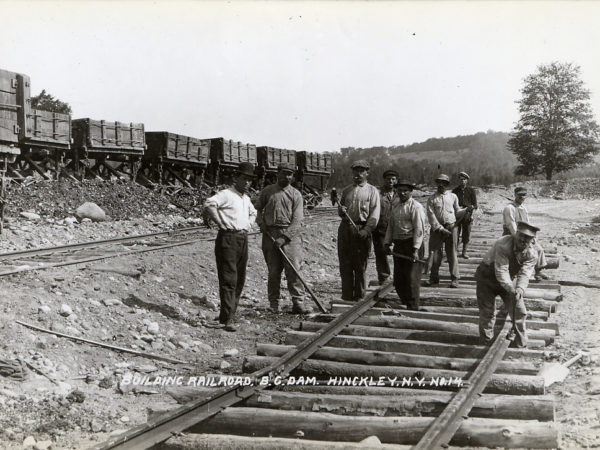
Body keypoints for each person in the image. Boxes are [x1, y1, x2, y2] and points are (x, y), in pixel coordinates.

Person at [203, 162, 257, 332]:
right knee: (229, 279)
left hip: (242, 238)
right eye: (244, 179)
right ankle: (227, 319)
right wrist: (220, 222)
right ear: (236, 178)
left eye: (250, 180)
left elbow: (253, 212)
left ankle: (229, 315)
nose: (247, 182)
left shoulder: (246, 198)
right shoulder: (226, 194)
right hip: (228, 238)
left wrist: (248, 224)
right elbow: (209, 204)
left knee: (240, 279)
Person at [256, 163, 311, 314]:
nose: (286, 177)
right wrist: (261, 222)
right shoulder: (267, 191)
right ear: (277, 174)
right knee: (273, 272)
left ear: (292, 177)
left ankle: (298, 303)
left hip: (290, 238)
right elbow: (257, 209)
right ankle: (274, 304)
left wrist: (285, 237)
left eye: (289, 174)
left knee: (294, 271)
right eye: (283, 173)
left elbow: (298, 220)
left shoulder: (296, 194)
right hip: (270, 235)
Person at [476, 221, 539, 348]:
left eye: (527, 238)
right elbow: (501, 270)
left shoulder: (532, 254)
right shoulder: (503, 244)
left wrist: (520, 289)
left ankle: (521, 343)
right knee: (487, 312)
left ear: (532, 239)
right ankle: (486, 342)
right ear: (516, 234)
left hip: (508, 279)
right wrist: (511, 288)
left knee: (519, 310)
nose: (523, 240)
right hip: (487, 277)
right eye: (521, 235)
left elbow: (525, 274)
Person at [337, 160, 381, 301]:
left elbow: (375, 213)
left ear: (367, 173)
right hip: (345, 229)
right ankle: (347, 296)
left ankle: (359, 296)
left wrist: (367, 230)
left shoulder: (372, 191)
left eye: (361, 171)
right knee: (345, 263)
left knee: (360, 265)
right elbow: (341, 211)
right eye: (356, 171)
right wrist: (341, 211)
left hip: (361, 229)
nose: (358, 174)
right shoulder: (347, 190)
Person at [384, 180, 426, 310]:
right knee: (399, 279)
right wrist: (387, 243)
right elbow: (391, 226)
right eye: (399, 190)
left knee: (411, 279)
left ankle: (413, 307)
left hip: (412, 244)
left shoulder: (416, 206)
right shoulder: (395, 206)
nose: (402, 193)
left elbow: (419, 229)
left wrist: (415, 249)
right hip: (399, 245)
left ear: (410, 191)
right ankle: (406, 302)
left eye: (405, 191)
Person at [426, 174, 468, 288]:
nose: (441, 185)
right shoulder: (431, 199)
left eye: (444, 183)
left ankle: (455, 278)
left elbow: (457, 211)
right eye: (439, 182)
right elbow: (431, 216)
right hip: (437, 230)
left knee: (452, 254)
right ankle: (434, 278)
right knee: (435, 254)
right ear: (437, 184)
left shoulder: (453, 196)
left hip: (451, 227)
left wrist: (466, 210)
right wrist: (440, 228)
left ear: (447, 184)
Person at [502, 187, 548, 280]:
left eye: (524, 195)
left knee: (538, 248)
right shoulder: (509, 208)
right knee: (520, 252)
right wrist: (519, 239)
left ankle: (538, 272)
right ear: (515, 195)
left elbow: (528, 224)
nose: (522, 197)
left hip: (524, 236)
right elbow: (511, 225)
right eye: (520, 195)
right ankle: (513, 272)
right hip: (511, 235)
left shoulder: (523, 208)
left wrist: (532, 237)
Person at [373, 169, 398, 285]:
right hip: (381, 228)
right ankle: (384, 277)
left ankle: (399, 276)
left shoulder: (400, 194)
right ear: (384, 180)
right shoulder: (378, 194)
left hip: (398, 229)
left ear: (396, 180)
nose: (390, 181)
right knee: (381, 253)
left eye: (393, 179)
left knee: (399, 252)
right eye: (388, 179)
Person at [452, 171, 478, 259]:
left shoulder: (471, 190)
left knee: (466, 234)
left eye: (464, 179)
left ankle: (464, 252)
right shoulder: (454, 191)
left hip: (467, 214)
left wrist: (471, 208)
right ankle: (454, 252)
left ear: (467, 180)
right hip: (457, 215)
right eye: (461, 179)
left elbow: (475, 204)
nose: (462, 181)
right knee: (455, 234)